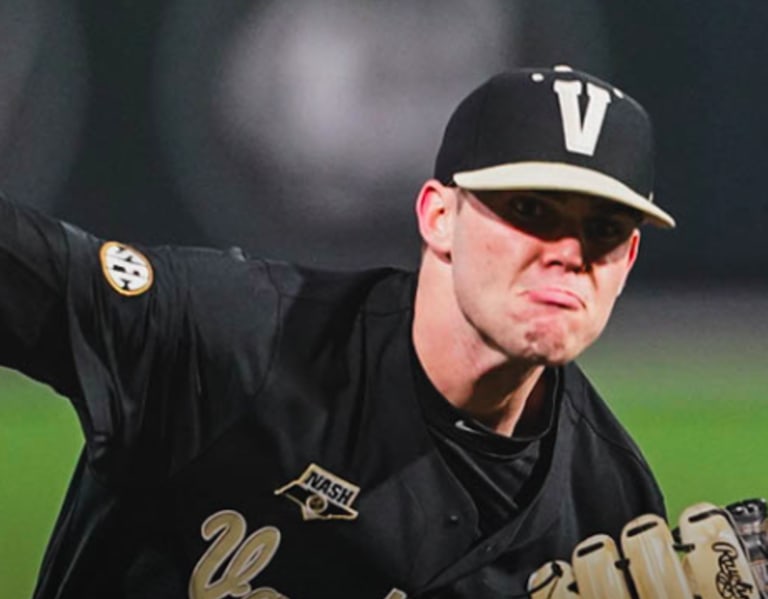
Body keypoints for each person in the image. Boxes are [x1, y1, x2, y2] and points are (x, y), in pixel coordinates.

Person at [0, 65, 675, 598]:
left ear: (630, 260)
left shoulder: (607, 504)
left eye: (605, 229)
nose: (568, 251)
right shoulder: (239, 340)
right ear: (439, 217)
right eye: (530, 209)